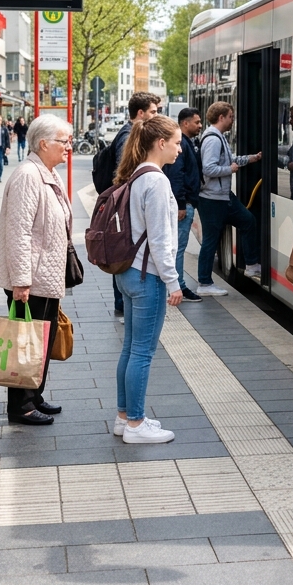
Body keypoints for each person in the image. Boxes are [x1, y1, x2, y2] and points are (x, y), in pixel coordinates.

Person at [0, 113, 74, 426]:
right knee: (25, 339)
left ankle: (34, 395)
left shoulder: (45, 171)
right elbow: (19, 231)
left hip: (43, 274)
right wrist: (21, 280)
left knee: (41, 337)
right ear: (43, 143)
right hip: (31, 277)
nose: (69, 147)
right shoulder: (28, 175)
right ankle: (20, 406)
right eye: (64, 141)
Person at [113, 115, 184, 443]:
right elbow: (160, 239)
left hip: (128, 273)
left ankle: (125, 417)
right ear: (161, 143)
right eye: (177, 143)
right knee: (142, 352)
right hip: (148, 276)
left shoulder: (134, 175)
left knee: (130, 348)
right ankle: (136, 426)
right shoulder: (156, 181)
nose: (179, 149)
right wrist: (173, 281)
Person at [196, 102, 262, 296]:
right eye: (231, 116)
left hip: (223, 197)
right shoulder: (213, 140)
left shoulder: (220, 138)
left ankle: (251, 264)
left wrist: (252, 158)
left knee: (248, 221)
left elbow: (231, 159)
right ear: (221, 117)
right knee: (211, 240)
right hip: (212, 198)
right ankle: (204, 283)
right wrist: (229, 170)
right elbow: (209, 168)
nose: (233, 120)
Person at [110, 92, 161, 317]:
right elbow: (126, 173)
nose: (156, 115)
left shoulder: (131, 134)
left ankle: (124, 305)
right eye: (153, 112)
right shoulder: (128, 137)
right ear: (140, 113)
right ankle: (123, 305)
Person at [163, 106, 204, 302]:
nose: (200, 125)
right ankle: (178, 286)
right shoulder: (183, 145)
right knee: (178, 247)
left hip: (185, 201)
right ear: (185, 123)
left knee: (177, 246)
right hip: (184, 203)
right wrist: (181, 203)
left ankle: (176, 285)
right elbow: (177, 175)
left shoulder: (187, 143)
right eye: (197, 122)